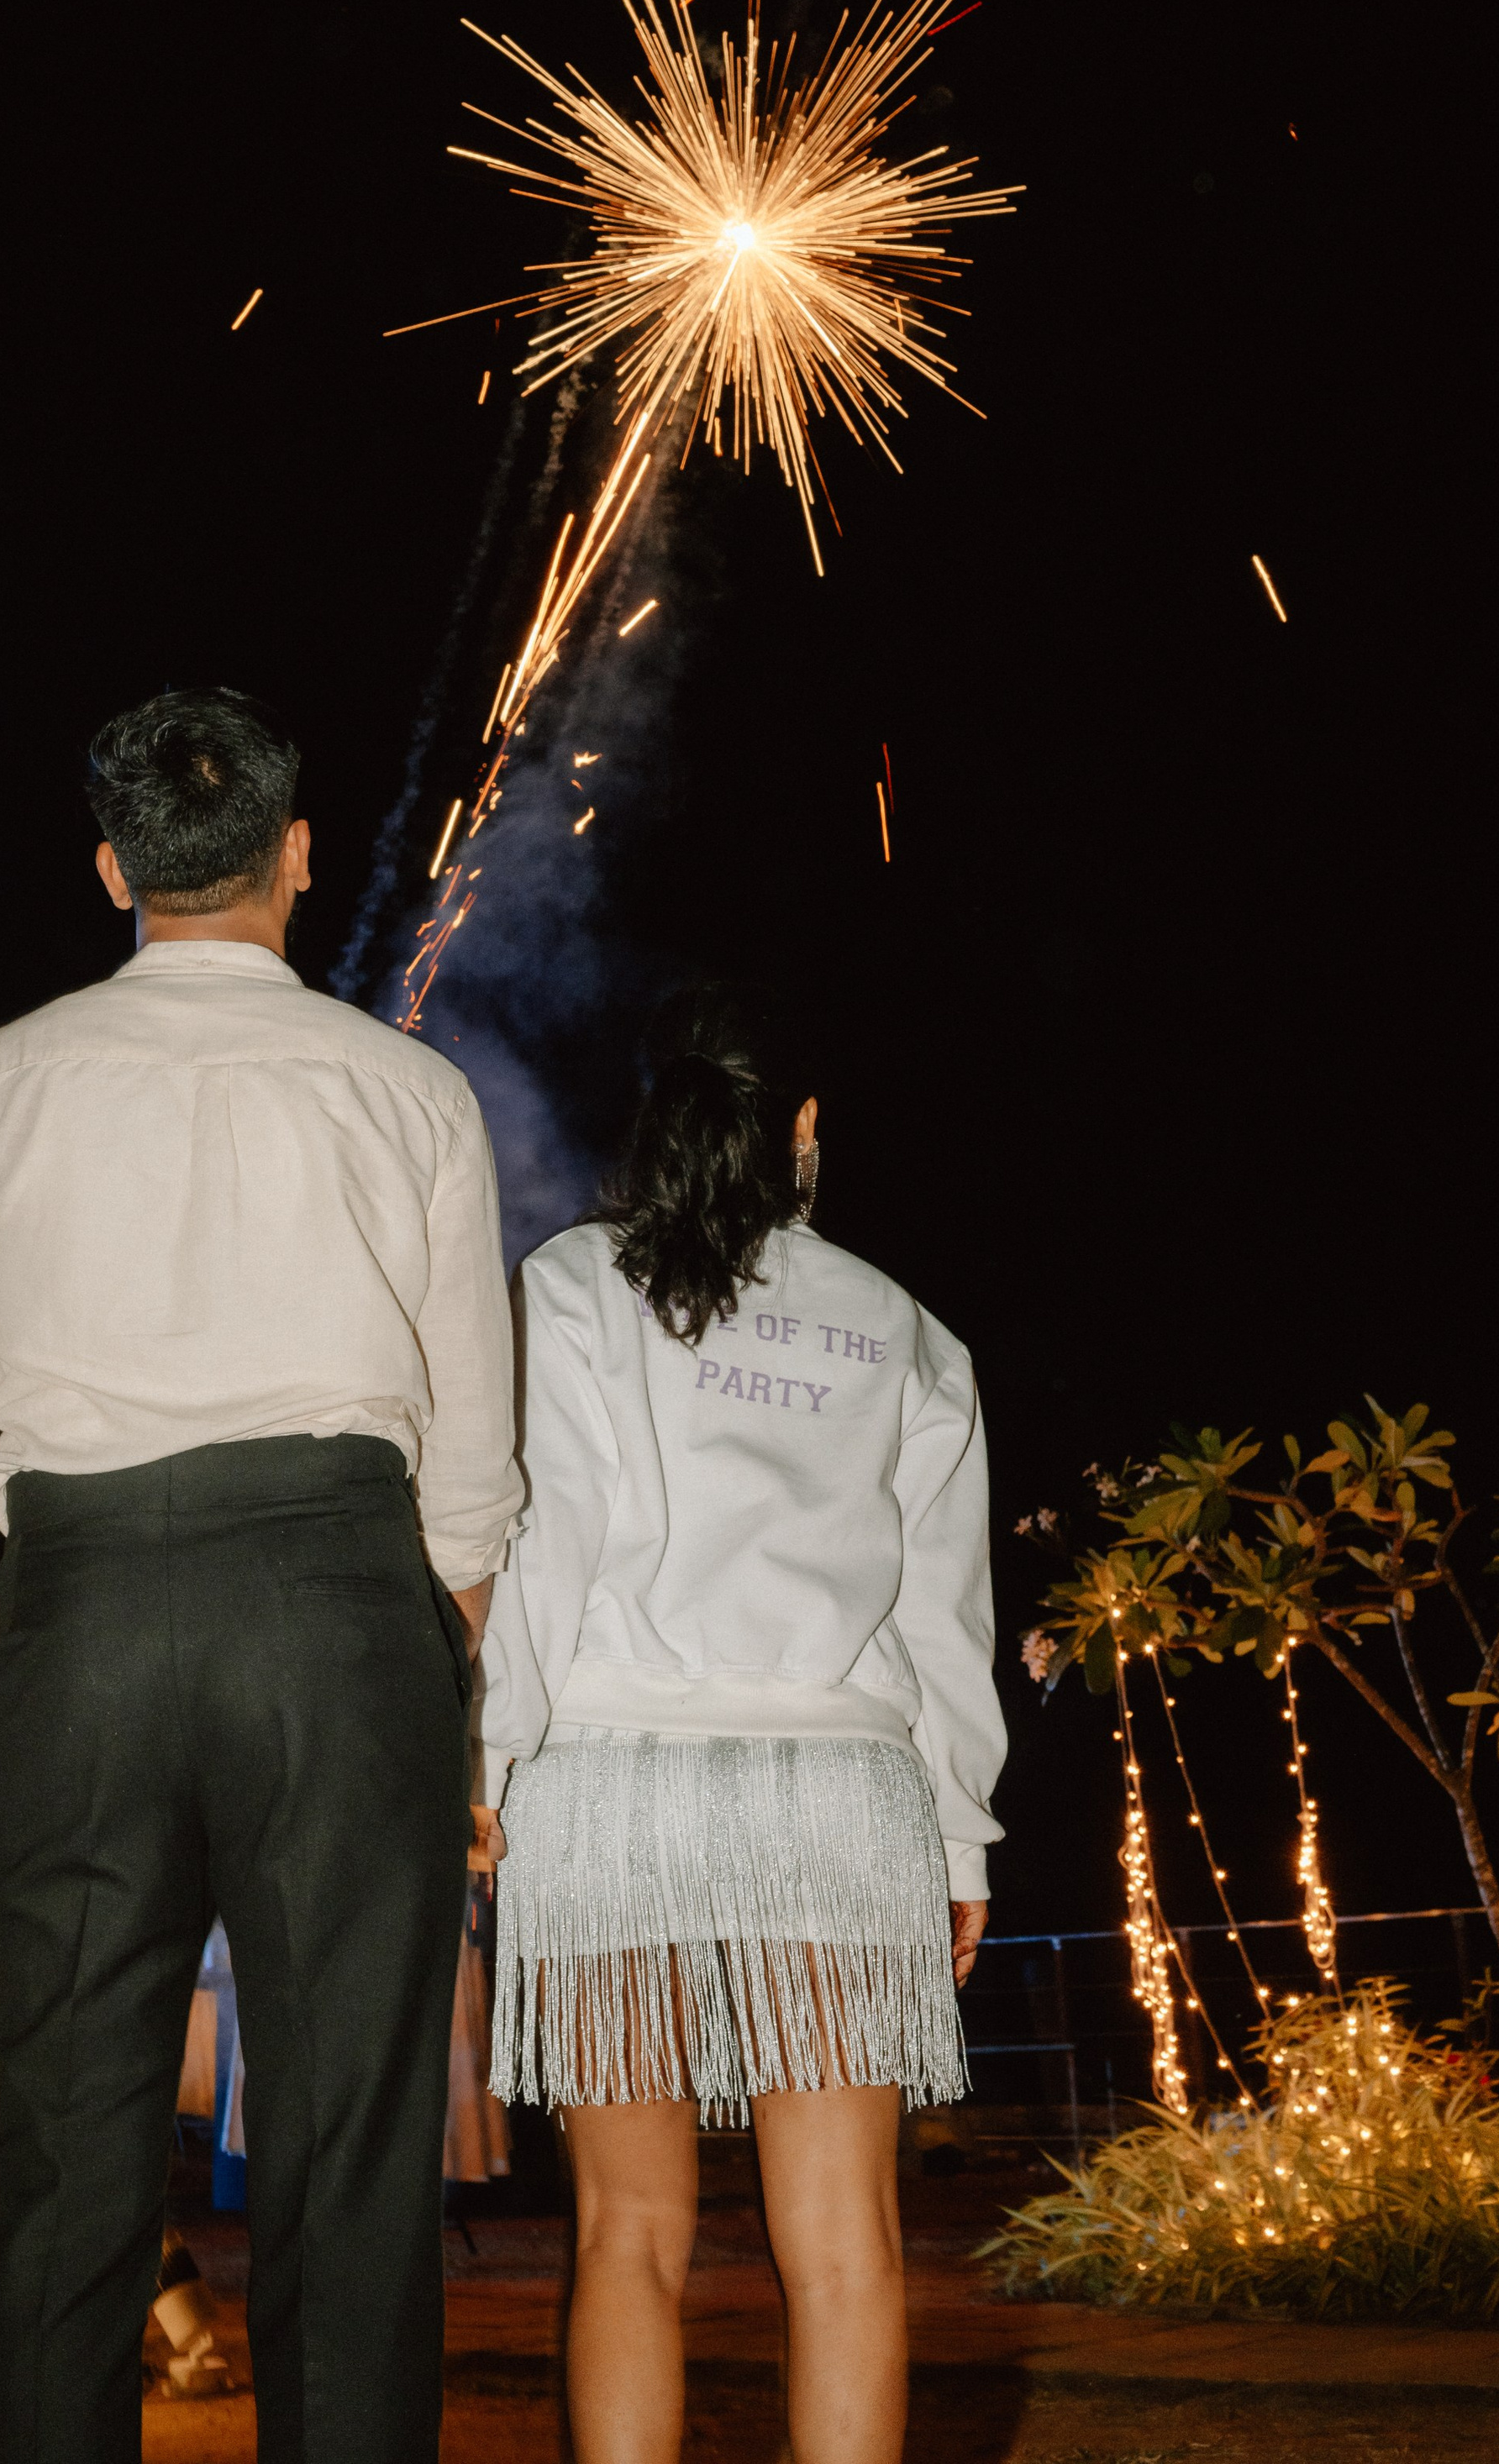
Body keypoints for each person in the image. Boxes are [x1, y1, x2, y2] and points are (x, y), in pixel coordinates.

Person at [0, 687, 519, 2461]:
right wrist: (435, 1705)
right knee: (348, 2169)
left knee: (67, 2168)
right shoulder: (413, 1094)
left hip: (80, 1627)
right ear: (299, 856)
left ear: (111, 872)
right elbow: (472, 1486)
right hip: (344, 1621)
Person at [476, 994, 1003, 2464]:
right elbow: (942, 1617)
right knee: (845, 2247)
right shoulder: (901, 1328)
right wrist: (960, 1836)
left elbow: (538, 1553)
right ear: (805, 1134)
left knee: (625, 2235)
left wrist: (486, 1765)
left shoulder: (569, 1287)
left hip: (608, 1791)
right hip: (838, 1794)